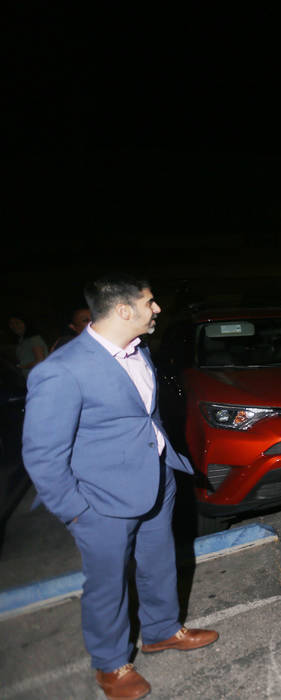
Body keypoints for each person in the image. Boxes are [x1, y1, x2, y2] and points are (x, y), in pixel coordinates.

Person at [21, 274, 218, 700]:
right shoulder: (61, 371)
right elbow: (42, 455)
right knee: (108, 583)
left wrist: (165, 469)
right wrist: (76, 510)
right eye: (151, 302)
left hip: (156, 480)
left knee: (160, 562)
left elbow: (144, 417)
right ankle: (111, 664)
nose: (158, 309)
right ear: (124, 310)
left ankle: (163, 631)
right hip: (100, 501)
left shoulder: (140, 350)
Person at [8, 314, 48, 379]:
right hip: (31, 379)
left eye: (17, 323)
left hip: (40, 377)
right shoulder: (22, 341)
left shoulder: (34, 339)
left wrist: (23, 367)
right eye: (11, 324)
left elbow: (40, 360)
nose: (14, 326)